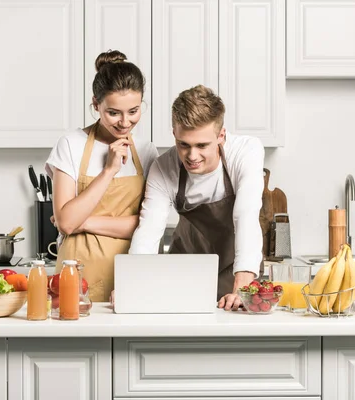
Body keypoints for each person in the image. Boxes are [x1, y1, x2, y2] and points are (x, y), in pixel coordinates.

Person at [128, 84, 264, 311]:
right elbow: (149, 231)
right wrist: (131, 284)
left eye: (202, 145)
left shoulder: (246, 151)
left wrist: (242, 286)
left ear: (221, 135)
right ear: (174, 134)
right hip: (185, 270)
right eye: (184, 145)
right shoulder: (164, 167)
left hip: (236, 270)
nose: (192, 156)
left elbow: (246, 215)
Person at [46, 50, 158, 302]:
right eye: (113, 112)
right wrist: (109, 170)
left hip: (129, 278)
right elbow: (65, 223)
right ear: (96, 104)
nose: (124, 122)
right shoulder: (70, 145)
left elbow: (146, 224)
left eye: (134, 111)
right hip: (76, 277)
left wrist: (84, 223)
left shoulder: (147, 151)